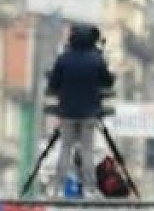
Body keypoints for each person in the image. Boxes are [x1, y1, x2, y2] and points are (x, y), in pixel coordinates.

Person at [46, 23, 115, 198]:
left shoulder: (64, 59)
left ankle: (58, 187)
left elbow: (53, 83)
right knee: (87, 151)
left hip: (67, 112)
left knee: (65, 149)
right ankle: (89, 188)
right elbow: (108, 81)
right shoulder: (96, 59)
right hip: (89, 113)